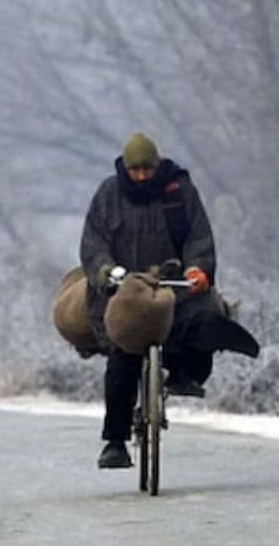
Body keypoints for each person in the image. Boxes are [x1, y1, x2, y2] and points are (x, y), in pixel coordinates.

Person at [81, 131, 219, 470]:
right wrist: (107, 272)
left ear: (156, 167)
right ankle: (115, 441)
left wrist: (198, 269)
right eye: (135, 170)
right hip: (125, 290)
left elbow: (198, 235)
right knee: (123, 358)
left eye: (147, 169)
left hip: (173, 285)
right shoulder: (108, 195)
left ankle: (185, 375)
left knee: (202, 323)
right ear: (125, 169)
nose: (142, 176)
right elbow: (93, 243)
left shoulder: (178, 190)